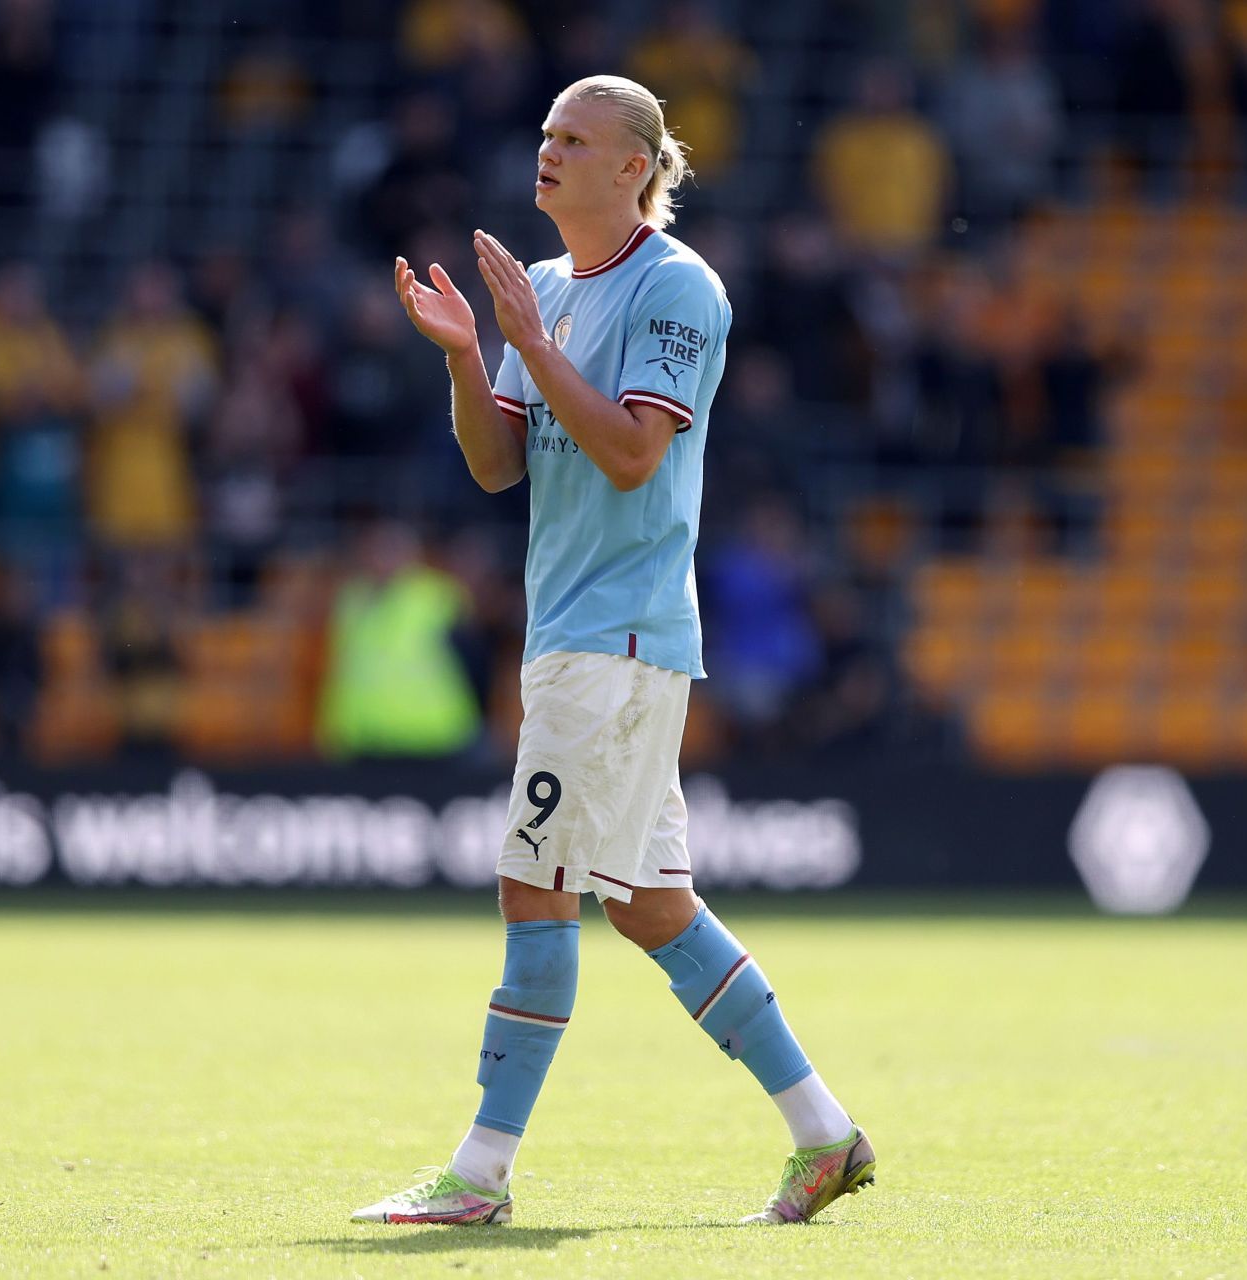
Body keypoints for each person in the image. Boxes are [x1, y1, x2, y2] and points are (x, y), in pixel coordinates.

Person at [354, 74, 875, 1229]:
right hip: (574, 632)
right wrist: (464, 353)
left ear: (635, 165)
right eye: (544, 133)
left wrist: (533, 346)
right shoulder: (539, 289)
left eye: (575, 138)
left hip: (620, 636)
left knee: (533, 883)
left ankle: (479, 1170)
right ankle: (825, 1134)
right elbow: (501, 466)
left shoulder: (677, 287)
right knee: (650, 904)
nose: (547, 151)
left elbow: (636, 453)